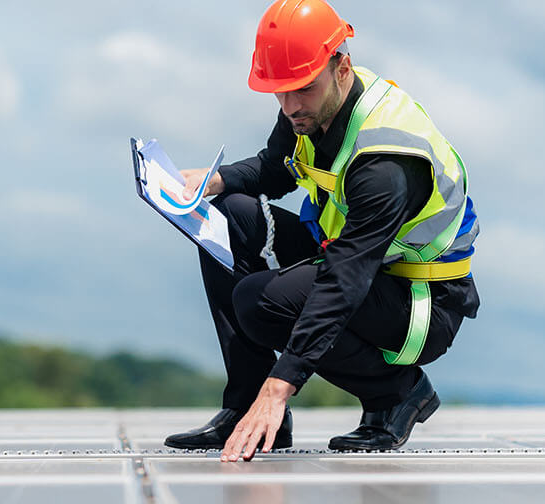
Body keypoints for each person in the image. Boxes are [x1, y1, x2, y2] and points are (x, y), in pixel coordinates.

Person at [158, 0, 481, 462]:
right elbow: (277, 168)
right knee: (227, 214)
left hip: (418, 301)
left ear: (342, 67)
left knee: (261, 302)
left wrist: (280, 387)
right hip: (358, 263)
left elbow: (344, 280)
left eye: (301, 91)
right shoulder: (311, 105)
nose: (289, 107)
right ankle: (243, 406)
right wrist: (215, 180)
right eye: (279, 93)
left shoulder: (385, 160)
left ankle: (397, 394)